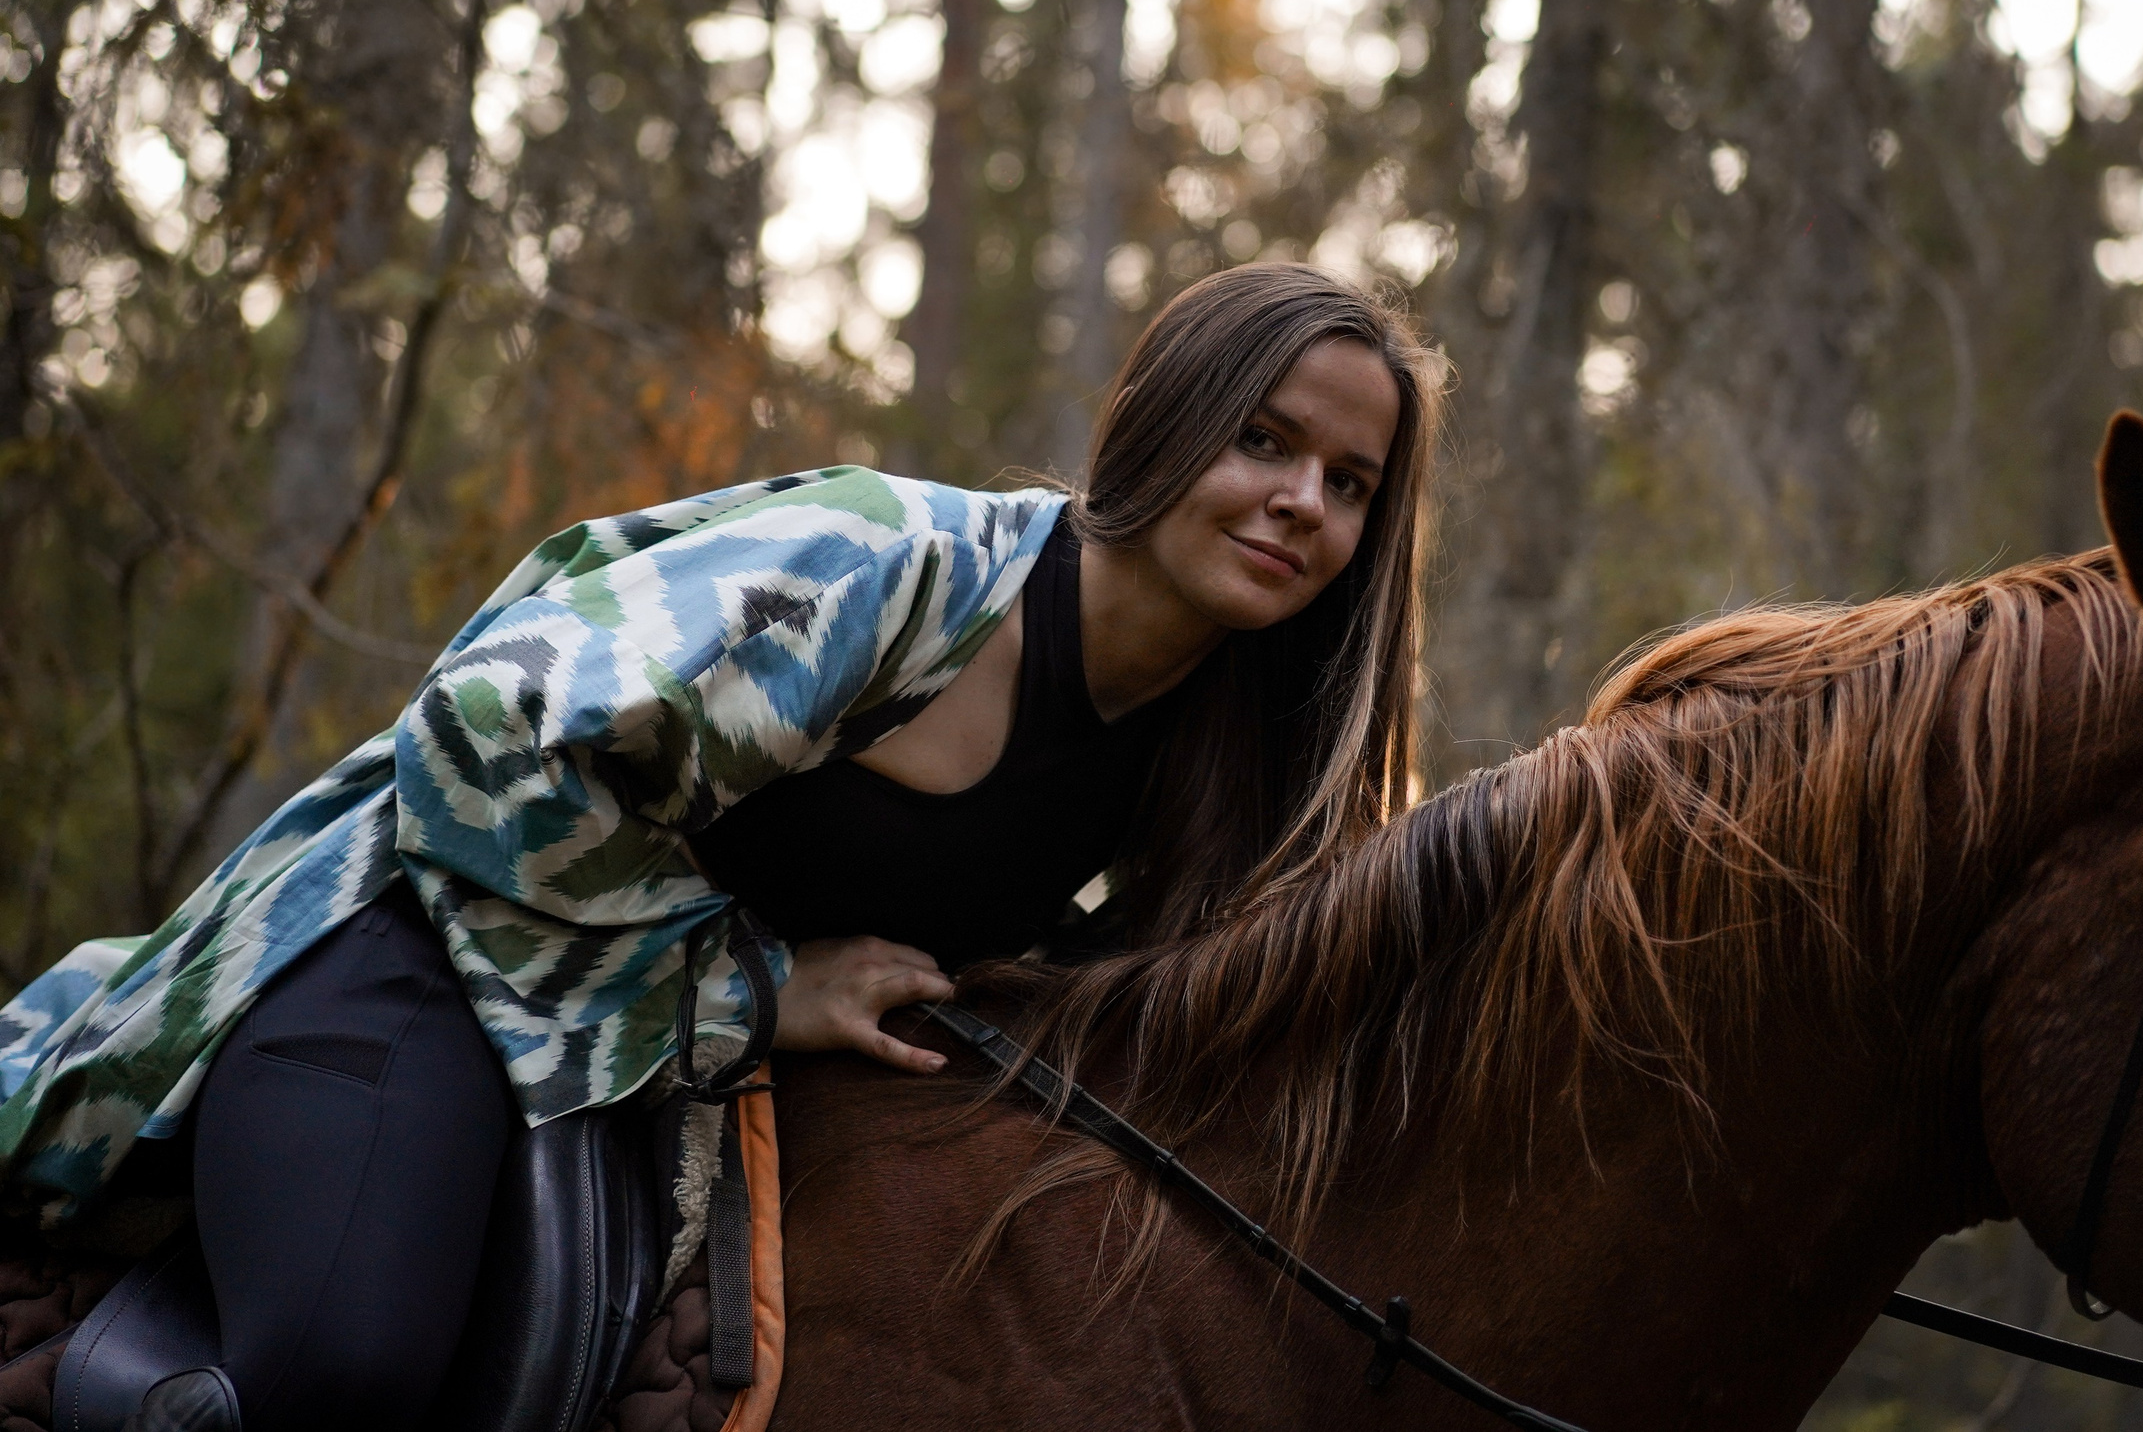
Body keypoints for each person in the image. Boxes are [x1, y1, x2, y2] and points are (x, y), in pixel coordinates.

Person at [0, 263, 1444, 1432]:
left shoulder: (1225, 751)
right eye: (1264, 439)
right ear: (1167, 422)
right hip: (428, 960)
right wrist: (753, 988)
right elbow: (485, 736)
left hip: (703, 1086)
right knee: (343, 1373)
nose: (1301, 502)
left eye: (1349, 481)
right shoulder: (888, 568)